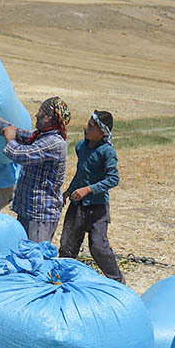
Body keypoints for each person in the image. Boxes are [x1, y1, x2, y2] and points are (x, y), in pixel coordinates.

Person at [0, 97, 69, 243]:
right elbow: (13, 130)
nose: (36, 115)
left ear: (48, 117)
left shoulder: (54, 143)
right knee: (24, 255)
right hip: (29, 210)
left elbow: (19, 155)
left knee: (35, 258)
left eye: (40, 111)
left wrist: (10, 140)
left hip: (40, 216)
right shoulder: (39, 136)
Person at [59, 110, 125, 283]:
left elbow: (113, 179)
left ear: (102, 132)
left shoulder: (107, 152)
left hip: (97, 208)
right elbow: (81, 173)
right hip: (77, 206)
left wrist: (88, 190)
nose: (85, 128)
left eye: (90, 126)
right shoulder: (81, 147)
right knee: (67, 247)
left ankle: (117, 282)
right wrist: (68, 192)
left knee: (98, 247)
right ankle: (64, 281)